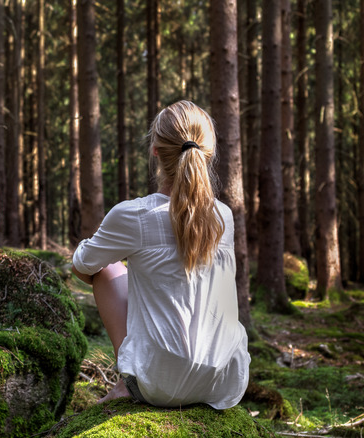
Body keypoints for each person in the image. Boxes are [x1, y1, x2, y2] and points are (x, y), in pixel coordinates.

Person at [72, 100, 250, 409]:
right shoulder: (223, 216)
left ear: (155, 150)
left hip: (158, 386)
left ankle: (127, 382)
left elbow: (82, 265)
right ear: (207, 152)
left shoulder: (134, 215)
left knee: (108, 269)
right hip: (223, 382)